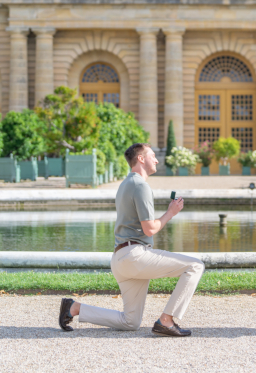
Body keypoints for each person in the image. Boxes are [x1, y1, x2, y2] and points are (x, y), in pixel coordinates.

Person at [58, 143, 204, 337]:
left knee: (130, 322)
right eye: (153, 155)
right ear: (141, 159)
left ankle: (74, 308)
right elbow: (150, 229)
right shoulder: (140, 185)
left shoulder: (126, 184)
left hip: (121, 258)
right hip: (134, 255)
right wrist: (171, 212)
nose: (157, 160)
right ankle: (166, 321)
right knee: (195, 266)